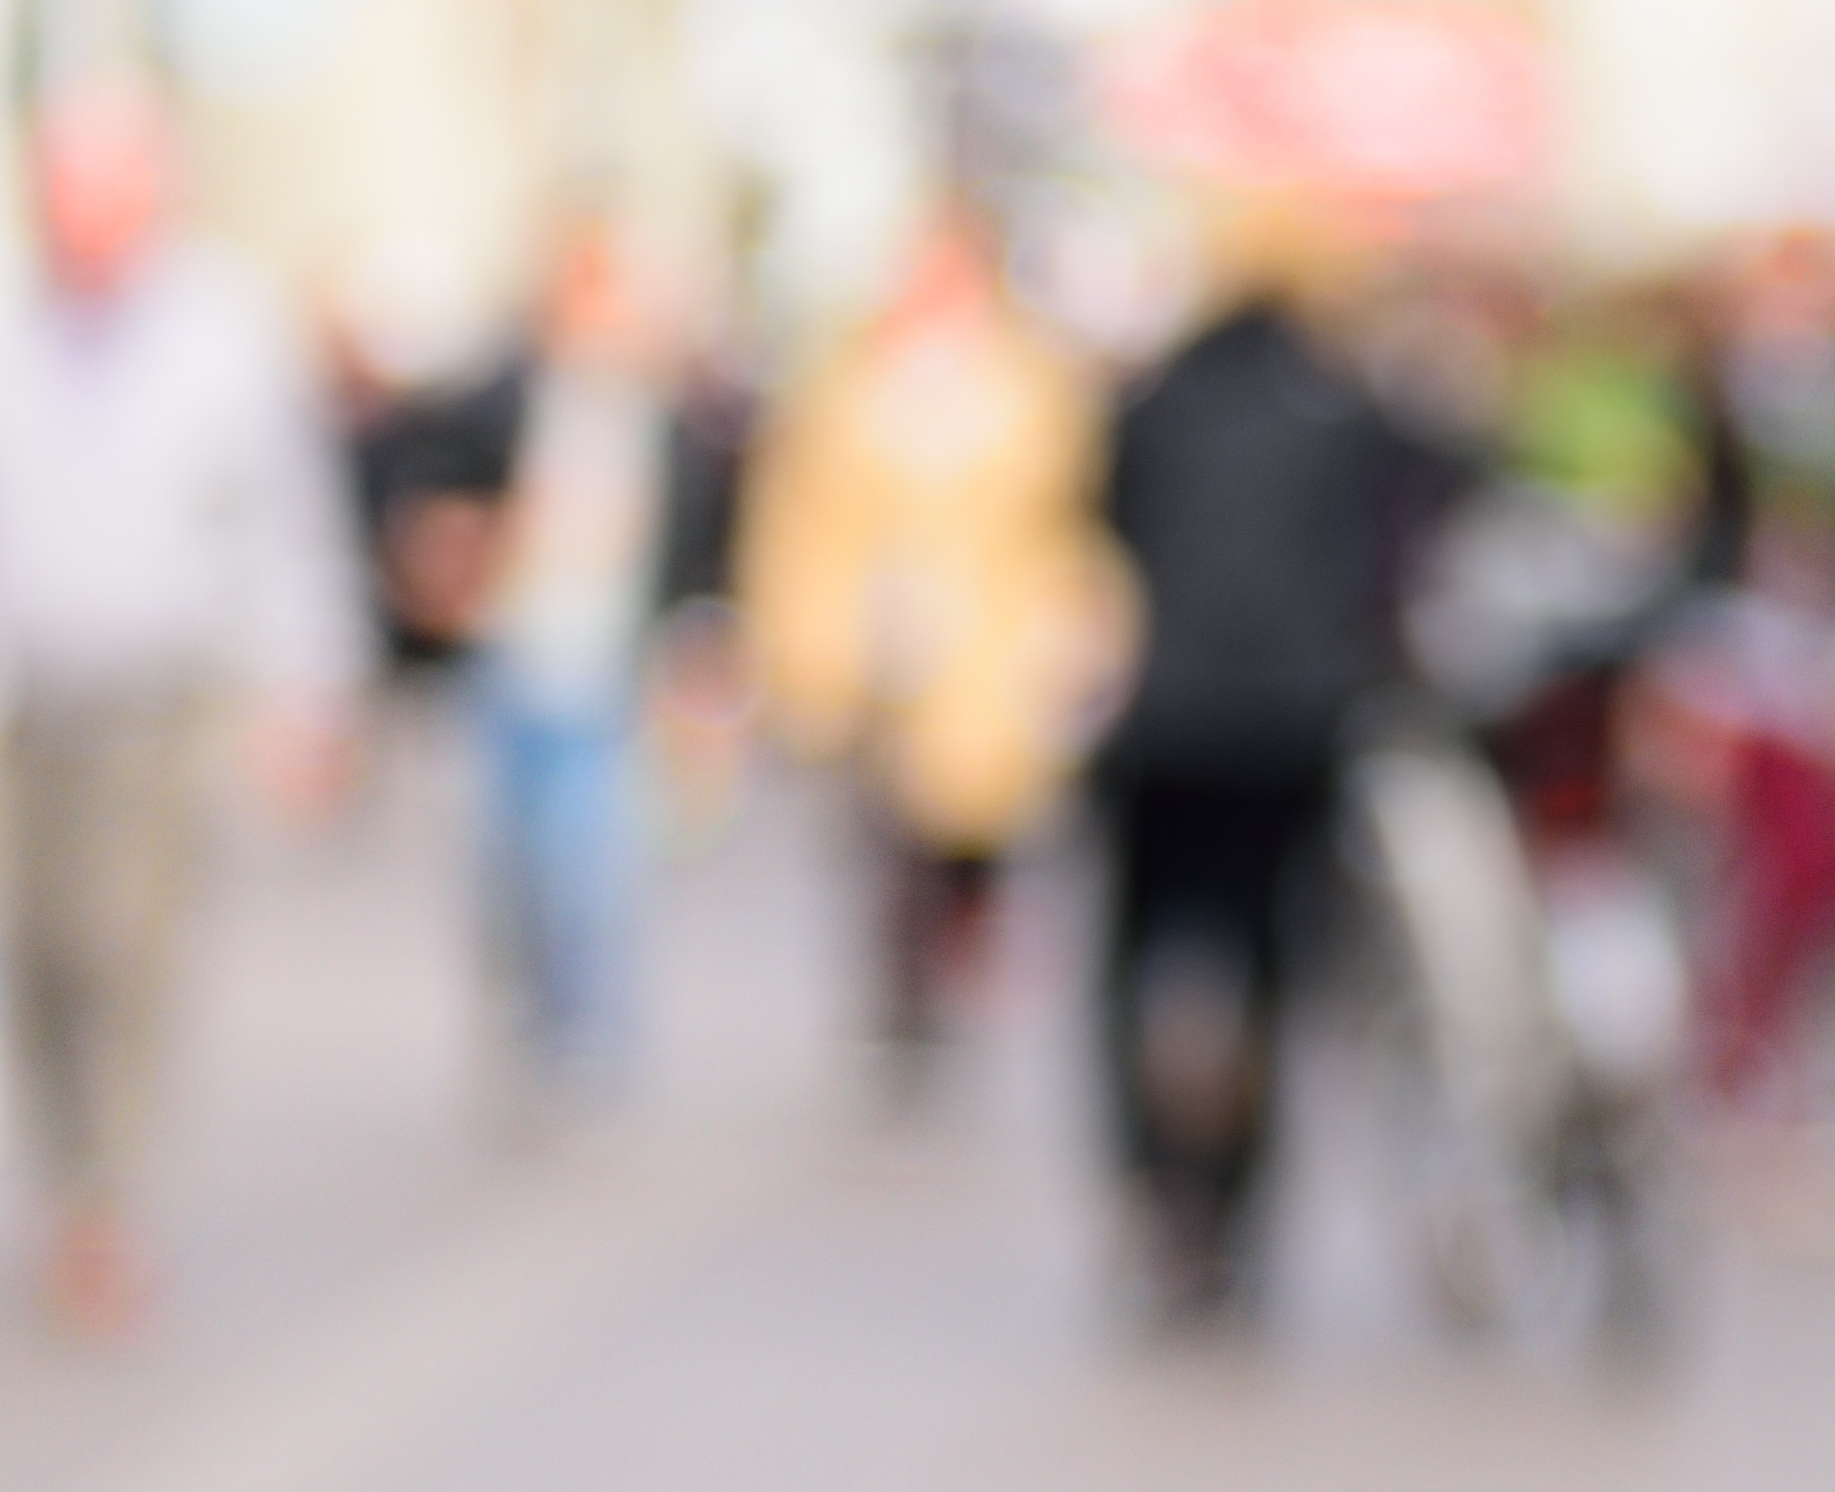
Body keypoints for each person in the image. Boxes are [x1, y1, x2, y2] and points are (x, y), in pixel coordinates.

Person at [0, 88, 362, 1337]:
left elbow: (286, 526)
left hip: (156, 697)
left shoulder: (223, 331)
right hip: (14, 692)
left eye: (106, 198)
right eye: (63, 198)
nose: (83, 227)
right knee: (29, 947)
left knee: (126, 946)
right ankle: (57, 1181)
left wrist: (305, 692)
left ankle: (109, 1198)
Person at [1088, 208, 1444, 1320]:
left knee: (1145, 944)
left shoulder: (1152, 405)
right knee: (1274, 964)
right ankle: (1236, 1196)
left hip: (1168, 723)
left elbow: (1110, 527)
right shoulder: (1342, 413)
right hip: (1295, 727)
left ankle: (1159, 1176)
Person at [737, 206, 1126, 1102]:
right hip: (872, 634)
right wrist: (791, 638)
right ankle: (900, 1004)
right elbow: (795, 516)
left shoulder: (1030, 384)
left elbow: (1065, 518)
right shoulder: (847, 382)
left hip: (986, 638)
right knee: (880, 834)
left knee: (969, 824)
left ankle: (956, 963)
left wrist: (1068, 627)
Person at [406, 217, 744, 1113]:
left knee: (591, 859)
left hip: (608, 668)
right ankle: (528, 1012)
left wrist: (700, 657)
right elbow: (432, 486)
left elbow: (696, 547)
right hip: (512, 655)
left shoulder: (659, 418)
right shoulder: (506, 396)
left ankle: (590, 1027)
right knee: (510, 858)